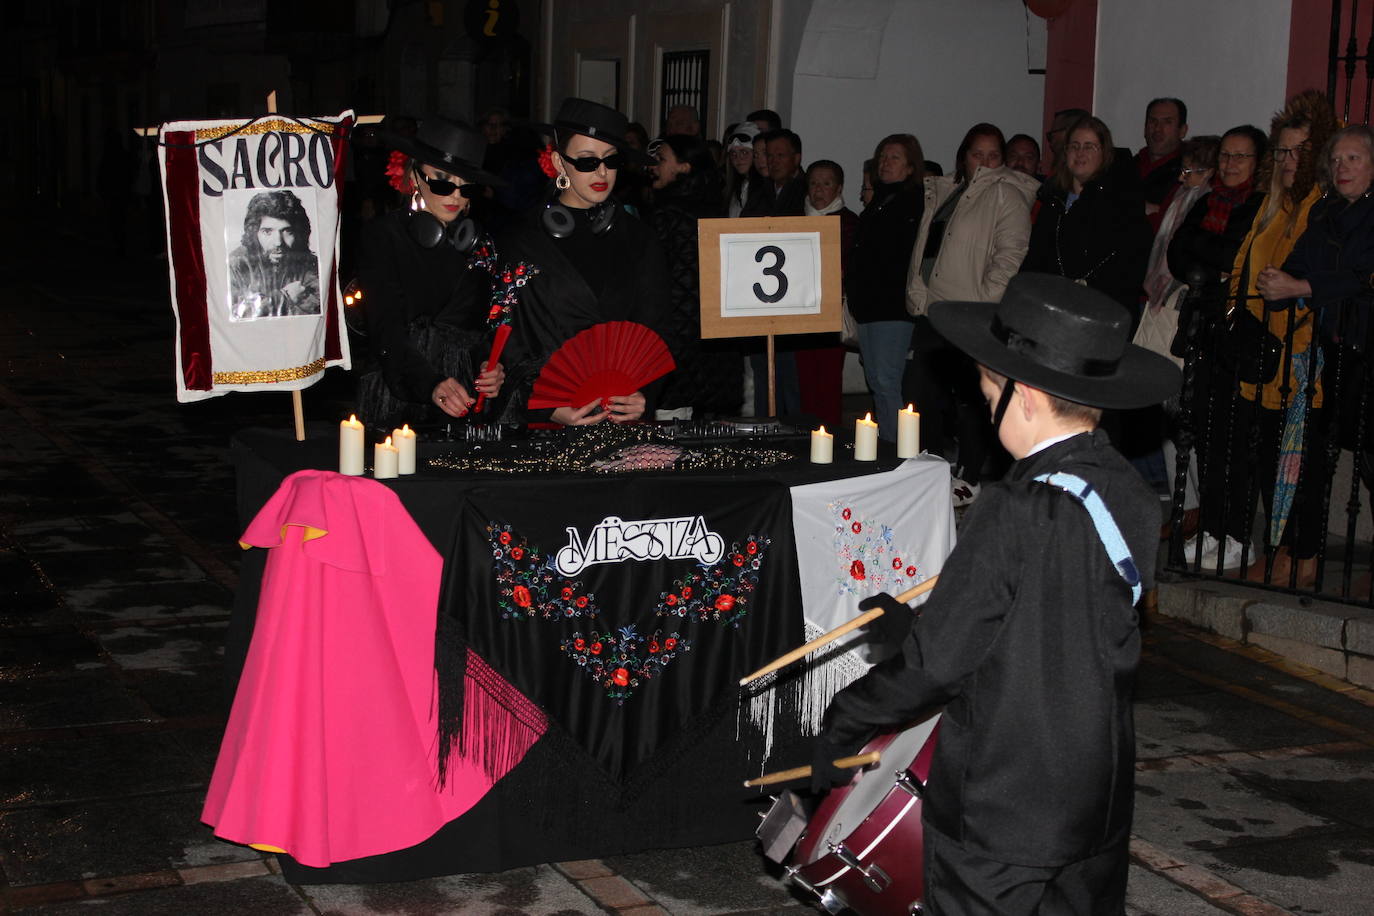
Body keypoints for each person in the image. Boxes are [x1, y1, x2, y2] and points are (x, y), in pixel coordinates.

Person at [815, 273, 1180, 915]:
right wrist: (918, 626)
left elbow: (938, 665)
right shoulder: (1130, 492)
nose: (988, 409)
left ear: (1028, 396)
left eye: (991, 395)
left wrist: (846, 720)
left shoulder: (1015, 507)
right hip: (1095, 796)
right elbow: (1055, 625)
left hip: (1003, 806)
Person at [1195, 91, 1338, 587]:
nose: (1289, 160)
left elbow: (1325, 275)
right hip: (1261, 355)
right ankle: (1277, 548)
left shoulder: (1322, 208)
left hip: (1303, 359)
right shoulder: (1272, 208)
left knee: (1302, 465)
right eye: (1282, 151)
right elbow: (1242, 264)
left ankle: (1302, 556)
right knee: (1265, 460)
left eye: (1300, 151)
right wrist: (1237, 312)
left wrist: (1288, 300)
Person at [496, 97, 672, 426]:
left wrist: (643, 395)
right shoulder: (523, 240)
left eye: (611, 160)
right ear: (559, 163)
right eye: (587, 162)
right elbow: (507, 335)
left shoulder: (640, 239)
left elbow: (657, 329)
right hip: (546, 421)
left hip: (622, 419)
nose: (602, 172)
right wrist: (544, 405)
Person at [1255, 124, 1374, 584]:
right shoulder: (1324, 212)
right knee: (1317, 453)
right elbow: (1298, 266)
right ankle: (1302, 556)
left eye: (1355, 159)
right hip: (1333, 351)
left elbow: (1366, 277)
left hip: (1367, 346)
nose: (1342, 168)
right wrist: (1276, 284)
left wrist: (1303, 287)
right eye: (1337, 160)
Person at [906, 123, 1039, 506]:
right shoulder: (947, 193)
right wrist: (917, 291)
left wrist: (983, 302)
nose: (984, 161)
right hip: (933, 309)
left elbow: (1011, 255)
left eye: (993, 155)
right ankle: (929, 468)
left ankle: (969, 475)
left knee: (971, 398)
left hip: (970, 313)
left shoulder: (1006, 194)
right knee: (920, 393)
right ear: (963, 155)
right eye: (976, 153)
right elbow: (926, 251)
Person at [355, 118, 507, 429]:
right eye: (442, 181)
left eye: (467, 187)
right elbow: (386, 328)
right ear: (414, 175)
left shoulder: (481, 244)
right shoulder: (383, 236)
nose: (455, 196)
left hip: (465, 399)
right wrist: (430, 383)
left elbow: (487, 326)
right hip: (402, 395)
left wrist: (492, 366)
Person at [1169, 125, 1268, 570]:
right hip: (1203, 329)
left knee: (1233, 437)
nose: (1229, 164)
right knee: (1205, 435)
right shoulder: (1207, 201)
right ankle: (1210, 528)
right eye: (1225, 155)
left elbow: (1234, 256)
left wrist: (1205, 263)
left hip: (1238, 332)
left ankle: (1236, 533)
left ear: (1257, 162)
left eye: (1240, 157)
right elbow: (1177, 254)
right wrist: (1210, 265)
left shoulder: (1258, 206)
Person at [1021, 115, 1152, 323]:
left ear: (1104, 154)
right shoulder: (1053, 198)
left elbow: (1127, 267)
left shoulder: (1119, 202)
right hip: (1049, 312)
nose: (1080, 153)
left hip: (1097, 317)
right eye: (1074, 146)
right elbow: (1035, 259)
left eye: (1089, 146)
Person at [648, 133, 741, 418]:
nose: (653, 166)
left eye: (661, 159)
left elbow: (653, 275)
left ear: (684, 167)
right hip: (712, 333)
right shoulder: (715, 211)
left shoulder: (667, 215)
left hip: (676, 331)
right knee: (701, 420)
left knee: (670, 419)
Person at [846, 133, 925, 441]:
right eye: (882, 157)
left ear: (909, 167)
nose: (885, 163)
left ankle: (897, 451)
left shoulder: (911, 203)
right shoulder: (879, 201)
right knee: (878, 381)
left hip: (892, 306)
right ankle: (887, 444)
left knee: (887, 380)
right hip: (868, 305)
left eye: (894, 158)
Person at [797, 158, 859, 429]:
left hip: (831, 311)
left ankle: (828, 436)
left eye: (826, 183)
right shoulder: (795, 221)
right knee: (803, 380)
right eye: (813, 183)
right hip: (799, 312)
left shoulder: (848, 223)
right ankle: (805, 434)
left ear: (839, 188)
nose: (819, 189)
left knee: (828, 380)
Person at [229, 190, 322, 321]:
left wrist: (263, 303)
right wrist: (286, 297)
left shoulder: (311, 264)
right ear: (254, 233)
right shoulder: (237, 263)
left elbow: (316, 315)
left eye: (287, 231)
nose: (278, 242)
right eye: (267, 232)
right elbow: (235, 315)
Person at [1139, 97, 1189, 231]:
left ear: (1182, 130)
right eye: (1153, 121)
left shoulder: (1190, 171)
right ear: (1144, 128)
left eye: (1167, 122)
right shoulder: (1127, 166)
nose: (1157, 129)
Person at [724, 122, 764, 217]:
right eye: (734, 154)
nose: (738, 158)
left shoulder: (764, 189)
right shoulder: (735, 188)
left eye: (744, 152)